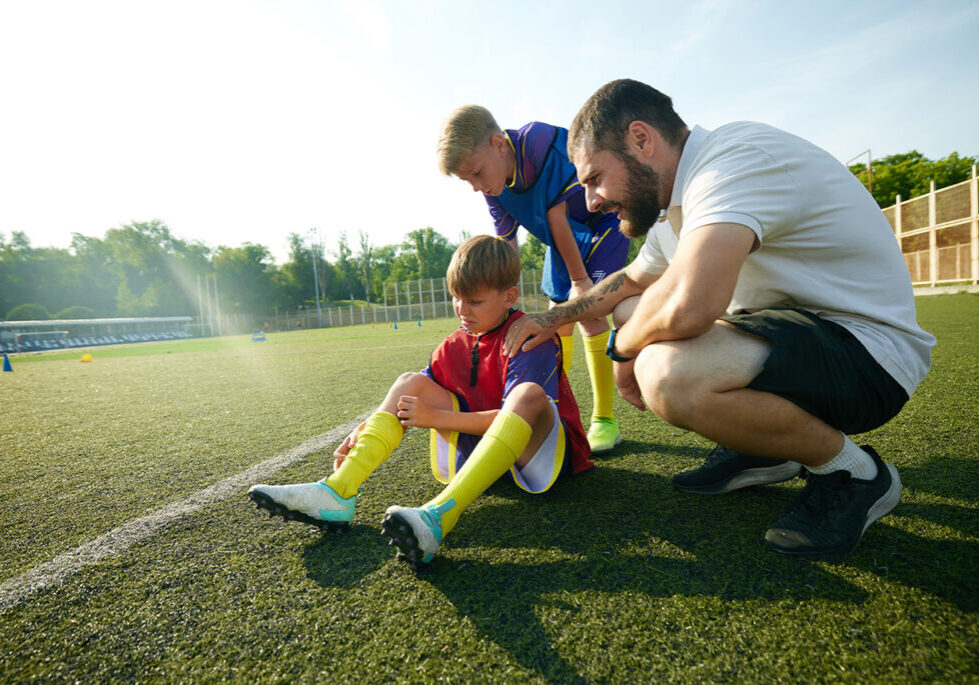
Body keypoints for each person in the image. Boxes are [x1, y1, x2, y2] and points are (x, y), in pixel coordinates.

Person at [505, 79, 935, 559]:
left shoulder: (732, 162)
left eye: (594, 178)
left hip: (870, 356)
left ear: (641, 140)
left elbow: (693, 303)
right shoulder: (676, 202)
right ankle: (763, 449)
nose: (591, 202)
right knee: (634, 309)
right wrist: (556, 316)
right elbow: (629, 281)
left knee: (667, 374)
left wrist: (622, 349)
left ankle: (854, 474)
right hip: (805, 340)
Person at [249, 235, 593, 570]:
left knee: (528, 395)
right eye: (456, 298)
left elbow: (521, 413)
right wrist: (363, 429)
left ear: (509, 297)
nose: (462, 309)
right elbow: (410, 396)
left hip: (542, 457)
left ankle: (438, 516)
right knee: (409, 382)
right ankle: (338, 491)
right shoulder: (454, 343)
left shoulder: (530, 335)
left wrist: (435, 417)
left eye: (474, 301)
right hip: (485, 453)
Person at [437, 105, 629, 455]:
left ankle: (605, 420)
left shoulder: (538, 143)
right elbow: (505, 250)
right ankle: (550, 413)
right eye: (468, 181)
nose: (477, 187)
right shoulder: (493, 188)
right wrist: (502, 303)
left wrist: (581, 281)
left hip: (601, 225)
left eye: (477, 174)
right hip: (562, 241)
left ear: (498, 144)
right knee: (555, 324)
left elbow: (557, 212)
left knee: (588, 312)